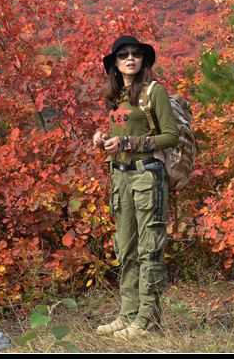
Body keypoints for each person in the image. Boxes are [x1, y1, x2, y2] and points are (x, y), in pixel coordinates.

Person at [92, 36, 178, 339]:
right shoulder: (115, 97)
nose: (131, 59)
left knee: (149, 249)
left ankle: (147, 319)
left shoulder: (155, 92)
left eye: (136, 54)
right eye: (124, 55)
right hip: (120, 177)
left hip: (146, 177)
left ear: (143, 60)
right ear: (114, 63)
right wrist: (102, 137)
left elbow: (170, 137)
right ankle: (127, 313)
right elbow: (120, 130)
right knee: (125, 248)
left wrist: (129, 142)